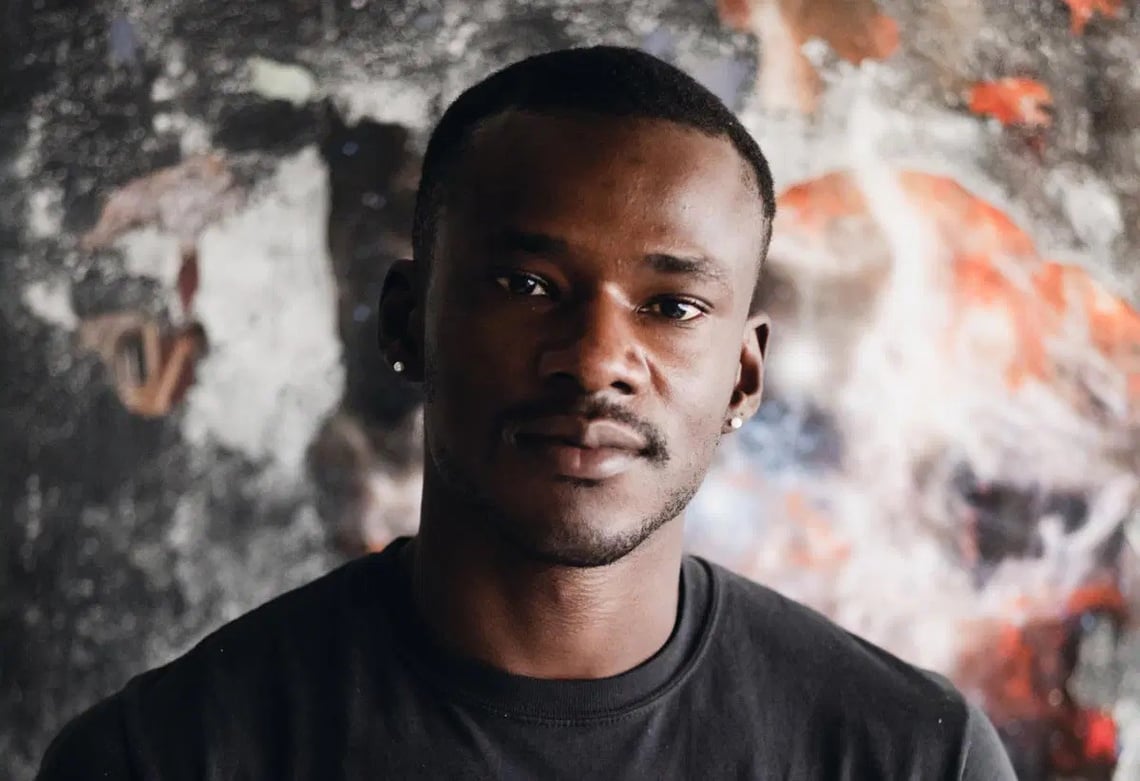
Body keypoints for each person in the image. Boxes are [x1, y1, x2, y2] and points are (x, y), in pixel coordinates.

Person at [38, 46, 1016, 780]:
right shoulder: (163, 755)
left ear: (744, 378)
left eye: (672, 306)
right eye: (528, 285)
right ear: (406, 322)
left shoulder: (910, 757)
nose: (596, 359)